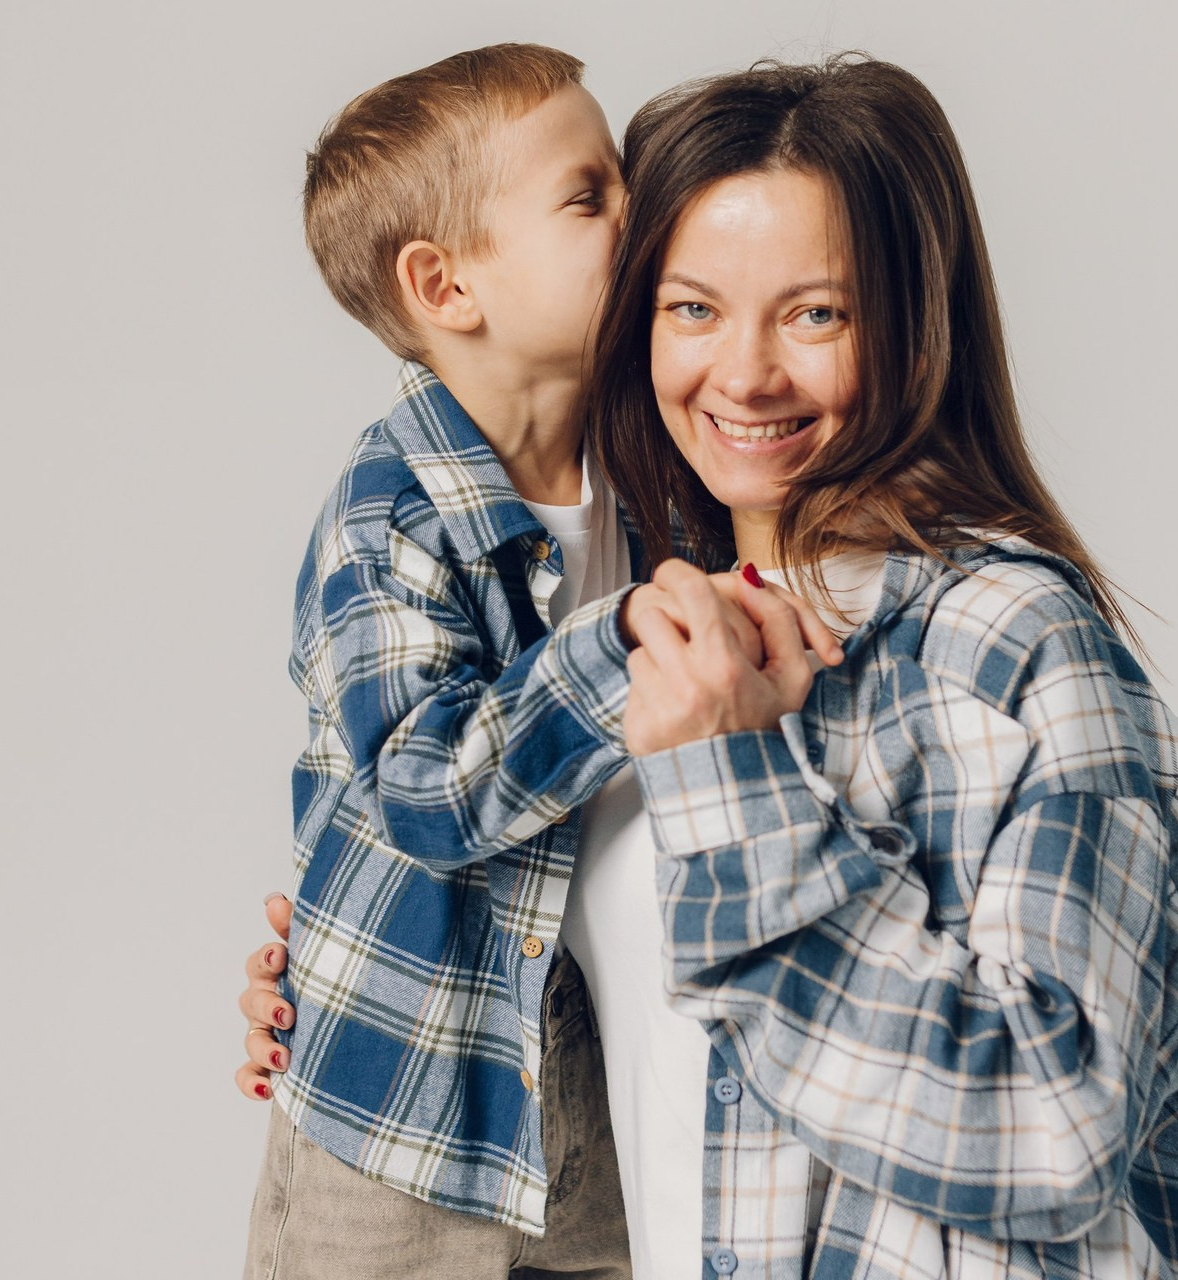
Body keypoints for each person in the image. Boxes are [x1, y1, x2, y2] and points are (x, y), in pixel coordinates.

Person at [241, 53, 1178, 1279]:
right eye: (691, 305)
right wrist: (357, 946)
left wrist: (729, 778)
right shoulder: (636, 605)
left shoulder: (1006, 644)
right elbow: (446, 796)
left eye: (815, 311)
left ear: (912, 323)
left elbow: (1051, 1127)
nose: (746, 373)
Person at [243, 40, 840, 1280]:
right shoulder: (388, 510)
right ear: (446, 286)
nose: (641, 209)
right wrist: (615, 643)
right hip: (403, 1117)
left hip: (584, 1086)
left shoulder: (661, 464)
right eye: (591, 195)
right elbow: (424, 788)